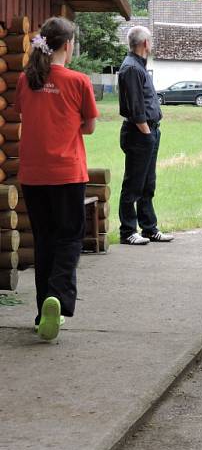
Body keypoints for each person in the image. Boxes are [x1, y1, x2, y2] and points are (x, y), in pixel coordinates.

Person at [16, 17, 98, 341]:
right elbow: (89, 126)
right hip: (67, 172)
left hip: (33, 175)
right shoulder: (79, 81)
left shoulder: (26, 80)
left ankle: (42, 315)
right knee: (70, 239)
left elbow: (28, 117)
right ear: (68, 45)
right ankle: (58, 298)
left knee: (44, 242)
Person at [118, 26, 173, 245]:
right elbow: (135, 107)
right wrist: (147, 133)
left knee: (148, 183)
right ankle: (128, 231)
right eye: (151, 41)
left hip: (149, 131)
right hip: (139, 133)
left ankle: (149, 228)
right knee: (133, 184)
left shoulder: (139, 66)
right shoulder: (131, 68)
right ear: (145, 44)